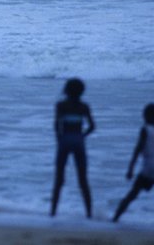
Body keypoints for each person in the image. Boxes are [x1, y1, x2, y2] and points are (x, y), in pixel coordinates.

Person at [50, 78, 95, 218]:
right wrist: (82, 136)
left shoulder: (60, 105)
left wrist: (59, 140)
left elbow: (57, 126)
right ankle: (89, 214)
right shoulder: (84, 106)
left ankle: (53, 212)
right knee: (83, 179)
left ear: (66, 90)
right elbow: (92, 126)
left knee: (59, 179)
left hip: (64, 140)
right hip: (78, 140)